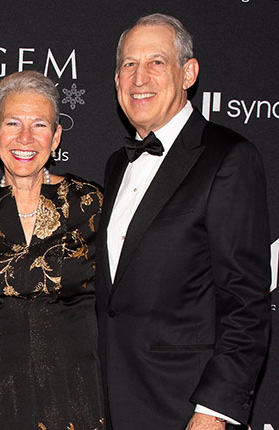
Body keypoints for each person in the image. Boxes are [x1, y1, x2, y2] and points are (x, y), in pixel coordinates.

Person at [97, 13, 271, 430]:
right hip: (113, 403)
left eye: (156, 62)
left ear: (188, 73)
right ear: (117, 80)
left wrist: (213, 411)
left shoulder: (228, 158)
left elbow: (245, 302)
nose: (139, 78)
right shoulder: (117, 164)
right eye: (129, 64)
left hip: (185, 407)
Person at [0, 70, 105, 430]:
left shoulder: (91, 204)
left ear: (55, 137)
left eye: (39, 125)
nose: (25, 138)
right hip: (0, 401)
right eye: (13, 123)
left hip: (78, 399)